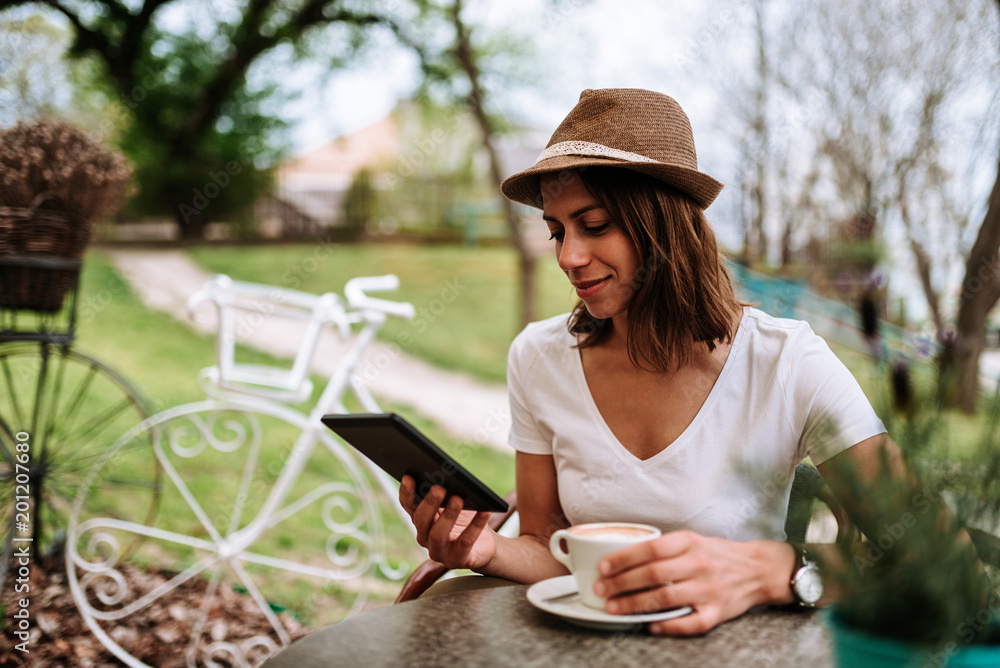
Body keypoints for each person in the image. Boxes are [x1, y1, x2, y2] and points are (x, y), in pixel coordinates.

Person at [399, 88, 900, 636]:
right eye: (556, 230)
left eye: (594, 226)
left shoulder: (787, 363)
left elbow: (939, 559)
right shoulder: (539, 358)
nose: (568, 256)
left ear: (662, 226)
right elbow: (550, 549)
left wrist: (778, 571)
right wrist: (486, 548)